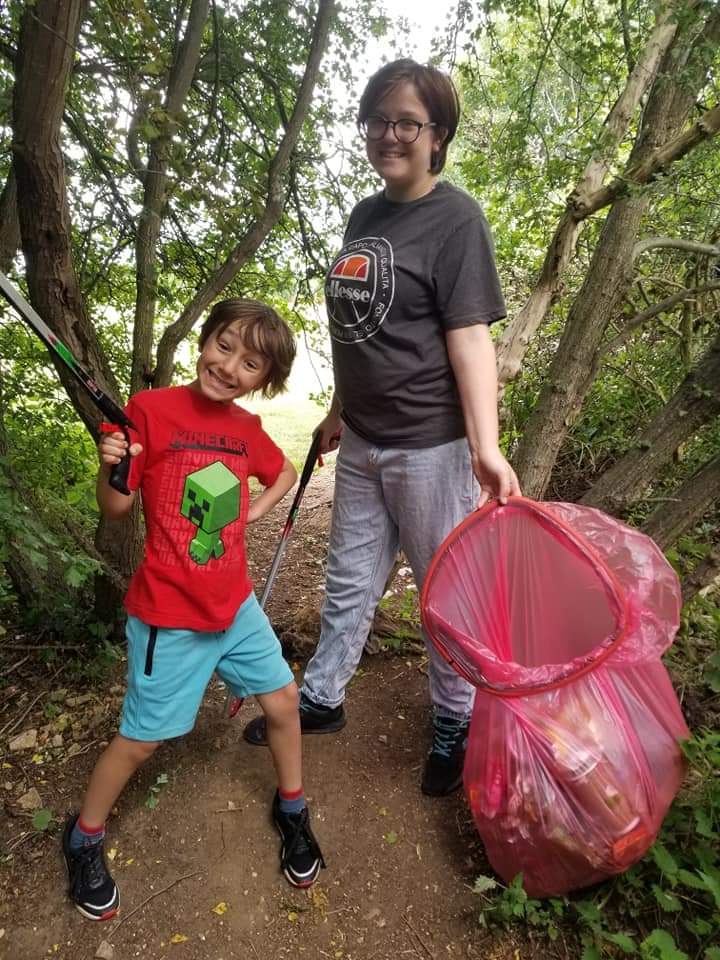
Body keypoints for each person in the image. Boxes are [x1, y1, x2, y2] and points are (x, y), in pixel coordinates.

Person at [244, 59, 520, 797]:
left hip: (432, 447)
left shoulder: (457, 220)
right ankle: (323, 699)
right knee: (349, 582)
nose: (388, 134)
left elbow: (470, 340)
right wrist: (338, 408)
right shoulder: (365, 216)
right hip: (363, 439)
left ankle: (455, 719)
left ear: (438, 137)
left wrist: (486, 447)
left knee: (444, 594)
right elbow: (357, 328)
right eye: (377, 119)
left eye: (407, 122)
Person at [63, 299, 325, 921]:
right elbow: (116, 509)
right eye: (224, 345)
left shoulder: (245, 430)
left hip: (235, 607)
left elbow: (282, 472)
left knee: (285, 702)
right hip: (167, 617)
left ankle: (292, 807)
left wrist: (253, 515)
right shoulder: (149, 411)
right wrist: (112, 469)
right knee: (142, 742)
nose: (230, 365)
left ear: (264, 381)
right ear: (204, 341)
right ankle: (83, 836)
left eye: (250, 361)